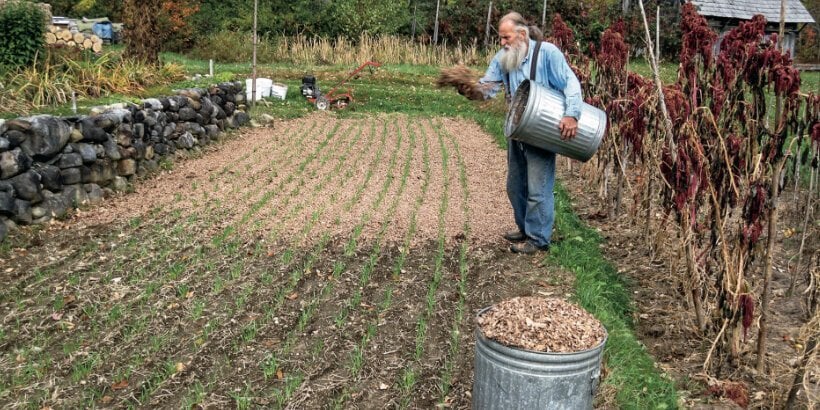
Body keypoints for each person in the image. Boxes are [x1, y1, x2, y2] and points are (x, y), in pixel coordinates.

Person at [461, 11, 582, 254]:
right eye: (501, 38)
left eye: (506, 38)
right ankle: (526, 228)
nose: (502, 43)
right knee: (515, 186)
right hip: (518, 127)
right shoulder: (503, 58)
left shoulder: (546, 53)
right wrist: (468, 88)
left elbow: (571, 83)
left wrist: (572, 114)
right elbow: (489, 88)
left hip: (543, 127)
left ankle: (538, 239)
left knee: (538, 188)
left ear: (522, 34)